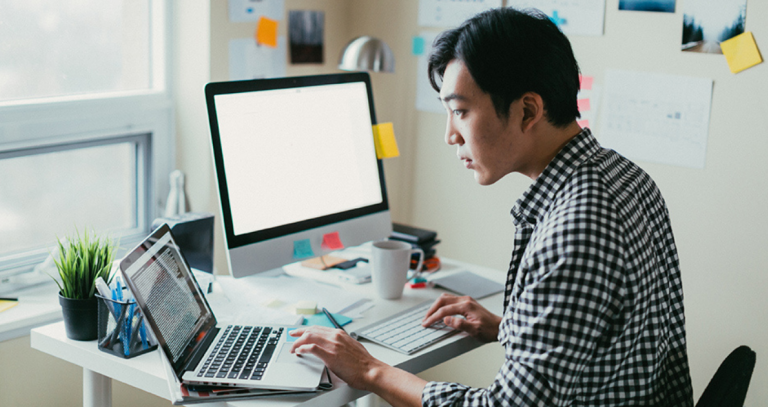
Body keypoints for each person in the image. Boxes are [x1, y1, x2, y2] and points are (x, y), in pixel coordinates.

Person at [289, 7, 693, 406]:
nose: (450, 135)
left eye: (461, 111)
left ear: (529, 110)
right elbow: (610, 339)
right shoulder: (625, 176)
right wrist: (509, 328)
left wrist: (371, 370)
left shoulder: (576, 227)